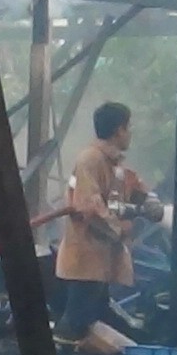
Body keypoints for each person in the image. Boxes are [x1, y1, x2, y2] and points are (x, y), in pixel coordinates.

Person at [55, 101, 161, 341]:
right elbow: (90, 208)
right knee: (75, 323)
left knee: (99, 312)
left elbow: (130, 184)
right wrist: (119, 229)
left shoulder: (113, 164)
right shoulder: (90, 160)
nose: (130, 133)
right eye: (128, 127)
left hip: (99, 258)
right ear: (118, 131)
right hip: (86, 256)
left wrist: (149, 199)